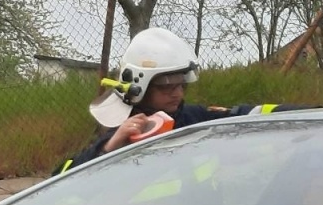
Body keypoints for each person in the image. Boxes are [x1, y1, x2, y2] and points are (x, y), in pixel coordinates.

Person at [56, 28, 295, 173]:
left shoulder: (191, 117)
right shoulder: (118, 133)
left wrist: (312, 114)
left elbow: (246, 114)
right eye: (167, 87)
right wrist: (110, 147)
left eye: (182, 85)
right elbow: (62, 178)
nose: (178, 93)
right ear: (141, 86)